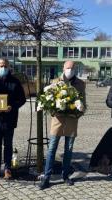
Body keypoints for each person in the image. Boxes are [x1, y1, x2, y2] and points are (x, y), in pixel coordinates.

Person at [39, 60, 86, 190]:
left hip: (72, 122)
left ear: (75, 69)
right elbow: (50, 102)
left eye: (71, 68)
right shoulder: (55, 82)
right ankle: (46, 177)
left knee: (68, 150)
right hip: (57, 122)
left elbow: (83, 104)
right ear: (63, 68)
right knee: (51, 149)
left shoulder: (81, 84)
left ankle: (65, 176)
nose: (69, 70)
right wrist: (55, 110)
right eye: (67, 67)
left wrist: (77, 112)